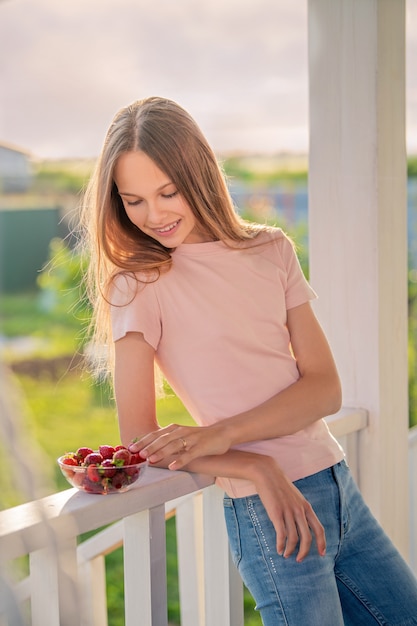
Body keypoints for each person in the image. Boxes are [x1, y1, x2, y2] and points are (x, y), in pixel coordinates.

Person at [81, 96, 417, 625]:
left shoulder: (271, 249)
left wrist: (223, 432)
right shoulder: (138, 284)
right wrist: (254, 466)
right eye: (134, 200)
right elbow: (137, 435)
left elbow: (324, 388)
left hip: (335, 483)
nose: (155, 215)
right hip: (269, 510)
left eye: (168, 192)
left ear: (199, 175)